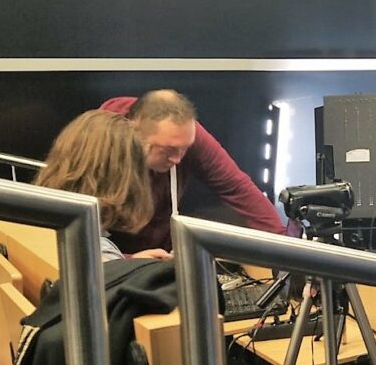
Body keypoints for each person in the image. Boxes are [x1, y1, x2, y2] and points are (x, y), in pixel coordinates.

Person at [99, 89, 286, 254]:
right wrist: (127, 261)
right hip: (109, 262)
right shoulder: (100, 143)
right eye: (168, 150)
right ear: (135, 133)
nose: (177, 159)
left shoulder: (183, 134)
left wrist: (285, 250)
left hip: (159, 255)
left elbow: (237, 188)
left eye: (184, 149)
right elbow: (85, 235)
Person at [34, 110, 167, 261]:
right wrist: (122, 266)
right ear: (125, 177)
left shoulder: (36, 222)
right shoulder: (95, 252)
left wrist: (129, 262)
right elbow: (103, 266)